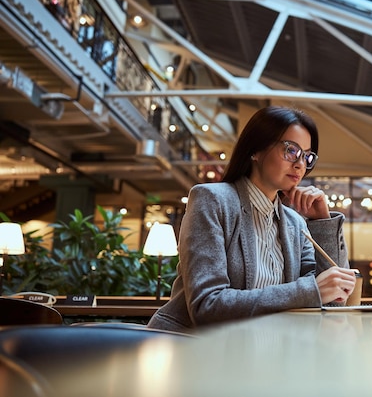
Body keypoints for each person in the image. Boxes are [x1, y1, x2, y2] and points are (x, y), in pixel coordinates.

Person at [147, 106, 356, 333]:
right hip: (195, 350)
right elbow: (207, 305)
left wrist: (322, 222)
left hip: (264, 353)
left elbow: (334, 300)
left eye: (307, 156)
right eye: (291, 150)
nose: (300, 164)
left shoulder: (295, 223)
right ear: (255, 150)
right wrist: (309, 291)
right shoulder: (212, 200)